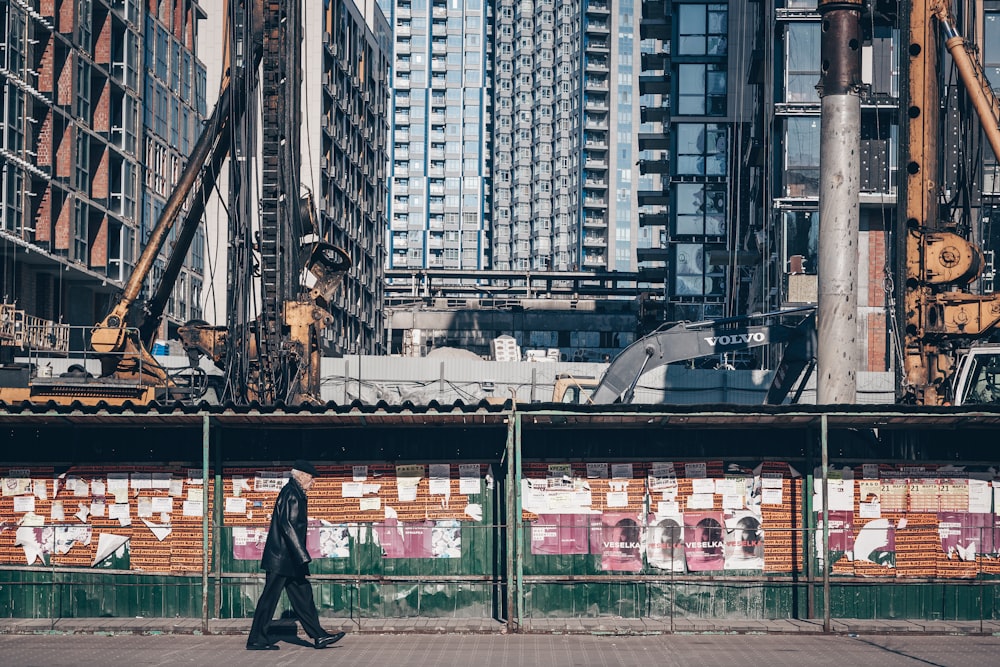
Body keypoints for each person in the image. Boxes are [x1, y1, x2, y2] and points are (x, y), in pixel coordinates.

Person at [246, 460, 345, 651]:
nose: (313, 482)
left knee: (303, 597)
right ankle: (256, 639)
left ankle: (319, 636)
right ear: (301, 476)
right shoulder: (292, 493)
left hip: (288, 559)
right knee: (269, 598)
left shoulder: (294, 492)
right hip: (283, 558)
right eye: (311, 478)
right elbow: (288, 526)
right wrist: (302, 554)